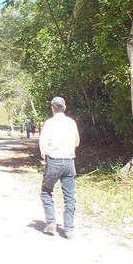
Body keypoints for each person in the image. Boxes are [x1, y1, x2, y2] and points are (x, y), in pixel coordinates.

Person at [39, 96, 80, 239]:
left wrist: (44, 158)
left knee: (46, 191)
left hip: (54, 161)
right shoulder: (71, 123)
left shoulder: (49, 123)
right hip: (69, 162)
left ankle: (51, 222)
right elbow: (77, 142)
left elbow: (43, 143)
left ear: (53, 108)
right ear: (65, 107)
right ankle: (69, 230)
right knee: (69, 197)